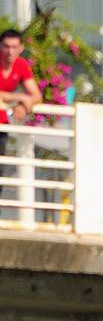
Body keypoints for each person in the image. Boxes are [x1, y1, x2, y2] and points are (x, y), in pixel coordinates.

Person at [0, 28, 40, 215]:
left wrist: (24, 105)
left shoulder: (22, 65)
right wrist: (18, 96)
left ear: (21, 48)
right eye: (6, 47)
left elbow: (36, 96)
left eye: (15, 47)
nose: (10, 51)